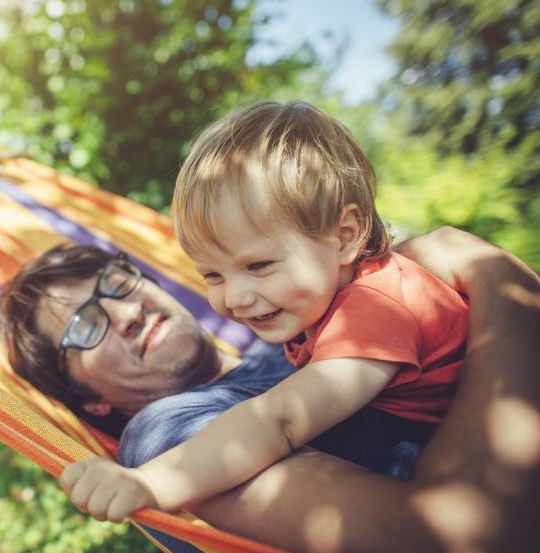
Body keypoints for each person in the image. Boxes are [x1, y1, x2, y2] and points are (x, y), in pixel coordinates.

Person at [0, 228, 540, 553]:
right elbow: (478, 550)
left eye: (114, 283)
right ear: (91, 399)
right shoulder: (171, 441)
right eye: (85, 328)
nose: (124, 311)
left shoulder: (300, 331)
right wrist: (495, 276)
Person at [62, 101, 468, 524]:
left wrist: (151, 483)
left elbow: (280, 421)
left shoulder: (375, 308)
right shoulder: (331, 299)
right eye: (213, 275)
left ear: (345, 236)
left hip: (442, 464)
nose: (234, 298)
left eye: (258, 266)